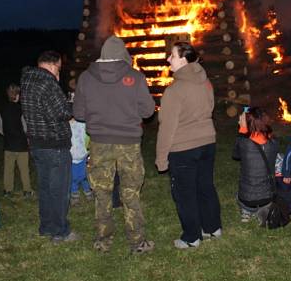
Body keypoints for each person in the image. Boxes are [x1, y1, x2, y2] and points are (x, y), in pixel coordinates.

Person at [72, 35, 156, 254]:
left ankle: (103, 240)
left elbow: (78, 113)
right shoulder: (135, 77)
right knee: (130, 192)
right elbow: (148, 111)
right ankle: (137, 241)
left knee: (101, 192)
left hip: (99, 143)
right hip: (129, 144)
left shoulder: (85, 78)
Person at [155, 41, 222, 249]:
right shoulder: (205, 82)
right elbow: (210, 107)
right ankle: (212, 228)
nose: (168, 59)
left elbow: (167, 127)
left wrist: (161, 158)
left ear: (183, 59)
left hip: (183, 148)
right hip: (207, 143)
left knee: (185, 194)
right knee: (205, 186)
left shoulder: (175, 90)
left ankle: (191, 237)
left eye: (172, 56)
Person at [21, 50, 77, 243]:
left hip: (36, 143)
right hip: (55, 145)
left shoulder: (26, 80)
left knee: (45, 187)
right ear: (53, 65)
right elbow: (61, 112)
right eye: (59, 68)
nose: (59, 73)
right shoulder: (48, 82)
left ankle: (46, 226)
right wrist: (72, 103)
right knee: (59, 190)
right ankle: (60, 231)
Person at [233, 106, 279, 225]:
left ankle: (246, 212)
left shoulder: (244, 143)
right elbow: (268, 134)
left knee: (239, 194)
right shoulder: (273, 142)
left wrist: (242, 129)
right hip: (267, 198)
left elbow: (236, 155)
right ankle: (262, 211)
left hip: (246, 199)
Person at [0, 84, 32, 198]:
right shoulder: (21, 110)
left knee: (8, 169)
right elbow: (25, 127)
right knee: (24, 169)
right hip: (21, 145)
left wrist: (7, 134)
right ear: (17, 96)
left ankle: (7, 190)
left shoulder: (2, 110)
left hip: (8, 144)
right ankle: (27, 190)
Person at [68, 118, 92, 205]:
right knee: (73, 177)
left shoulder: (82, 123)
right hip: (71, 157)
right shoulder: (66, 125)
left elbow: (87, 136)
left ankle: (87, 190)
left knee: (84, 175)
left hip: (83, 155)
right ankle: (74, 194)